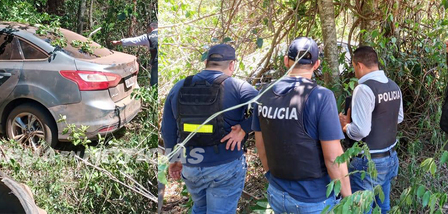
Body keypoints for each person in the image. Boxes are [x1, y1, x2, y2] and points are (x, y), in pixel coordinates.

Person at [253, 37, 351, 213]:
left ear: (285, 61)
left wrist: (271, 176)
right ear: (316, 64)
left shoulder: (264, 94)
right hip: (313, 199)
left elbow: (261, 145)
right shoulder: (321, 96)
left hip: (277, 192)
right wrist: (349, 198)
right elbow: (333, 158)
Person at [160, 44, 258, 214]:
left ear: (206, 62)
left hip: (191, 165)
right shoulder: (237, 87)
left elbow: (167, 130)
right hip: (225, 166)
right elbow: (267, 109)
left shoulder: (179, 87)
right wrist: (244, 128)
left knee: (200, 208)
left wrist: (174, 159)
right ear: (232, 64)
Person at [339, 46, 402, 214]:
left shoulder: (364, 88)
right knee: (383, 206)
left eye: (354, 67)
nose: (355, 72)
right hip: (390, 157)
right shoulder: (393, 86)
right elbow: (399, 117)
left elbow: (361, 131)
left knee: (361, 209)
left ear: (359, 65)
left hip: (369, 161)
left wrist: (346, 126)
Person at [112, 21, 158, 86]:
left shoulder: (148, 36)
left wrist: (118, 42)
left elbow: (134, 41)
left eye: (148, 30)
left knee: (154, 84)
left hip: (156, 62)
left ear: (151, 28)